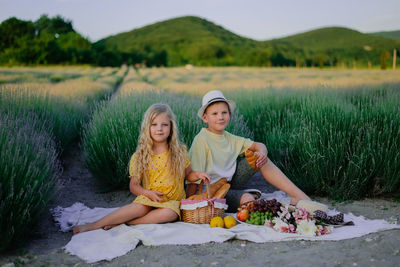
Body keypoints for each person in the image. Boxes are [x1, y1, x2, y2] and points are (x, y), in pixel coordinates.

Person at [73, 103, 210, 234]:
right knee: (139, 208)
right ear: (147, 128)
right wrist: (147, 193)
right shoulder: (140, 156)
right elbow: (133, 186)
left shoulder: (179, 152)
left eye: (164, 125)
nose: (159, 129)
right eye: (154, 124)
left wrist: (198, 175)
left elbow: (188, 174)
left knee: (170, 214)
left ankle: (127, 223)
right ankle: (93, 226)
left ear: (171, 128)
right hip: (148, 198)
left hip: (172, 202)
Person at [187, 90, 311, 211]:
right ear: (205, 118)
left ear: (229, 114)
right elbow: (193, 176)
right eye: (214, 114)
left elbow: (259, 145)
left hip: (229, 183)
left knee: (260, 158)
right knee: (248, 200)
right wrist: (189, 202)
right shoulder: (201, 140)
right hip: (211, 192)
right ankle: (246, 196)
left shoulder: (230, 138)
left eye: (224, 112)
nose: (220, 117)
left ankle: (297, 195)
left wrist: (262, 153)